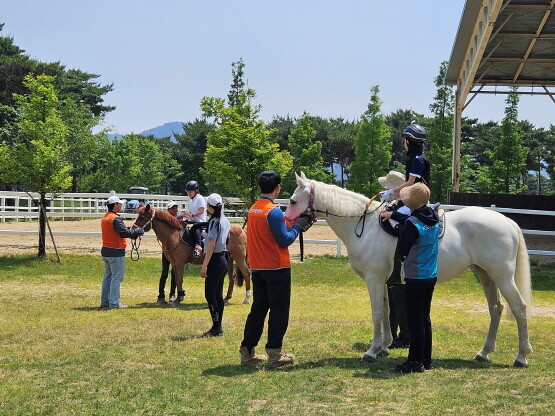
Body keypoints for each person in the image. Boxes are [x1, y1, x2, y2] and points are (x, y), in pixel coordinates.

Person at [239, 170, 313, 367]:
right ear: (277, 188)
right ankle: (275, 353)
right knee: (279, 311)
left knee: (258, 310)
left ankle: (247, 351)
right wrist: (299, 226)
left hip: (258, 267)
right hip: (276, 267)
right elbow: (284, 240)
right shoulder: (273, 211)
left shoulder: (254, 208)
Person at [379, 123, 431, 349]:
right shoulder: (414, 159)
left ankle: (400, 258)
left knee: (392, 216)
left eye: (404, 139)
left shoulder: (417, 160)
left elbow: (411, 185)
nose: (403, 143)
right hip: (410, 197)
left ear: (409, 141)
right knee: (389, 211)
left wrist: (392, 194)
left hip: (417, 201)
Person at [393, 183, 439, 374]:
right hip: (431, 275)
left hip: (415, 276)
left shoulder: (412, 222)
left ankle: (414, 361)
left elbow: (401, 250)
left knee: (414, 320)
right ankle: (426, 359)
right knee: (424, 318)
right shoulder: (435, 218)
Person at [378, 171, 411, 350]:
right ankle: (391, 333)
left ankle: (405, 336)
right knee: (394, 299)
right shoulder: (397, 204)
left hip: (400, 259)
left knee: (399, 299)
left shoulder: (403, 207)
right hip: (394, 259)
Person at [100, 195, 144, 309]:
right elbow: (124, 233)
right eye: (119, 204)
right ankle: (114, 303)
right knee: (116, 278)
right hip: (116, 251)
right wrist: (137, 231)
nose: (120, 205)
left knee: (107, 278)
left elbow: (119, 231)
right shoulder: (116, 219)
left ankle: (105, 301)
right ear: (115, 205)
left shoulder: (106, 217)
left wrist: (130, 229)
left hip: (106, 250)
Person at [199, 193, 230, 337]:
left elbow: (211, 245)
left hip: (215, 260)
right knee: (218, 295)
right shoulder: (225, 221)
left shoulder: (214, 222)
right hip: (223, 258)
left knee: (210, 295)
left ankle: (216, 328)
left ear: (210, 207)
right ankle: (218, 326)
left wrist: (204, 265)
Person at [157, 200, 179, 304]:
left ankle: (172, 294)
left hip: (175, 251)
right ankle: (161, 295)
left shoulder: (178, 220)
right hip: (166, 250)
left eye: (176, 208)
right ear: (168, 210)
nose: (175, 210)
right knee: (164, 272)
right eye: (172, 208)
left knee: (174, 272)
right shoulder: (165, 221)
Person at [183, 180, 207, 258]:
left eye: (190, 192)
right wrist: (186, 217)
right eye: (187, 192)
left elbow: (201, 210)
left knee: (197, 233)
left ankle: (198, 252)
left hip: (199, 222)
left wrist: (193, 215)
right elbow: (190, 212)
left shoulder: (200, 198)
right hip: (192, 221)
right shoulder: (191, 201)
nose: (188, 193)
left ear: (196, 191)